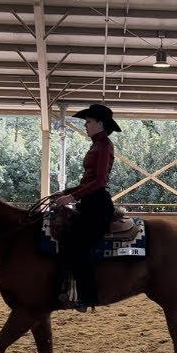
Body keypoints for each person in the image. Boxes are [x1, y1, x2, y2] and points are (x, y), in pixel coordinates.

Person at [54, 103, 119, 313]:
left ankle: (87, 295)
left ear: (100, 124)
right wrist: (65, 193)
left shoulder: (103, 146)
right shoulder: (97, 145)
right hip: (91, 203)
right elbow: (88, 181)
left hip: (97, 206)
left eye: (89, 121)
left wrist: (72, 196)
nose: (86, 125)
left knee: (76, 245)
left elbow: (99, 181)